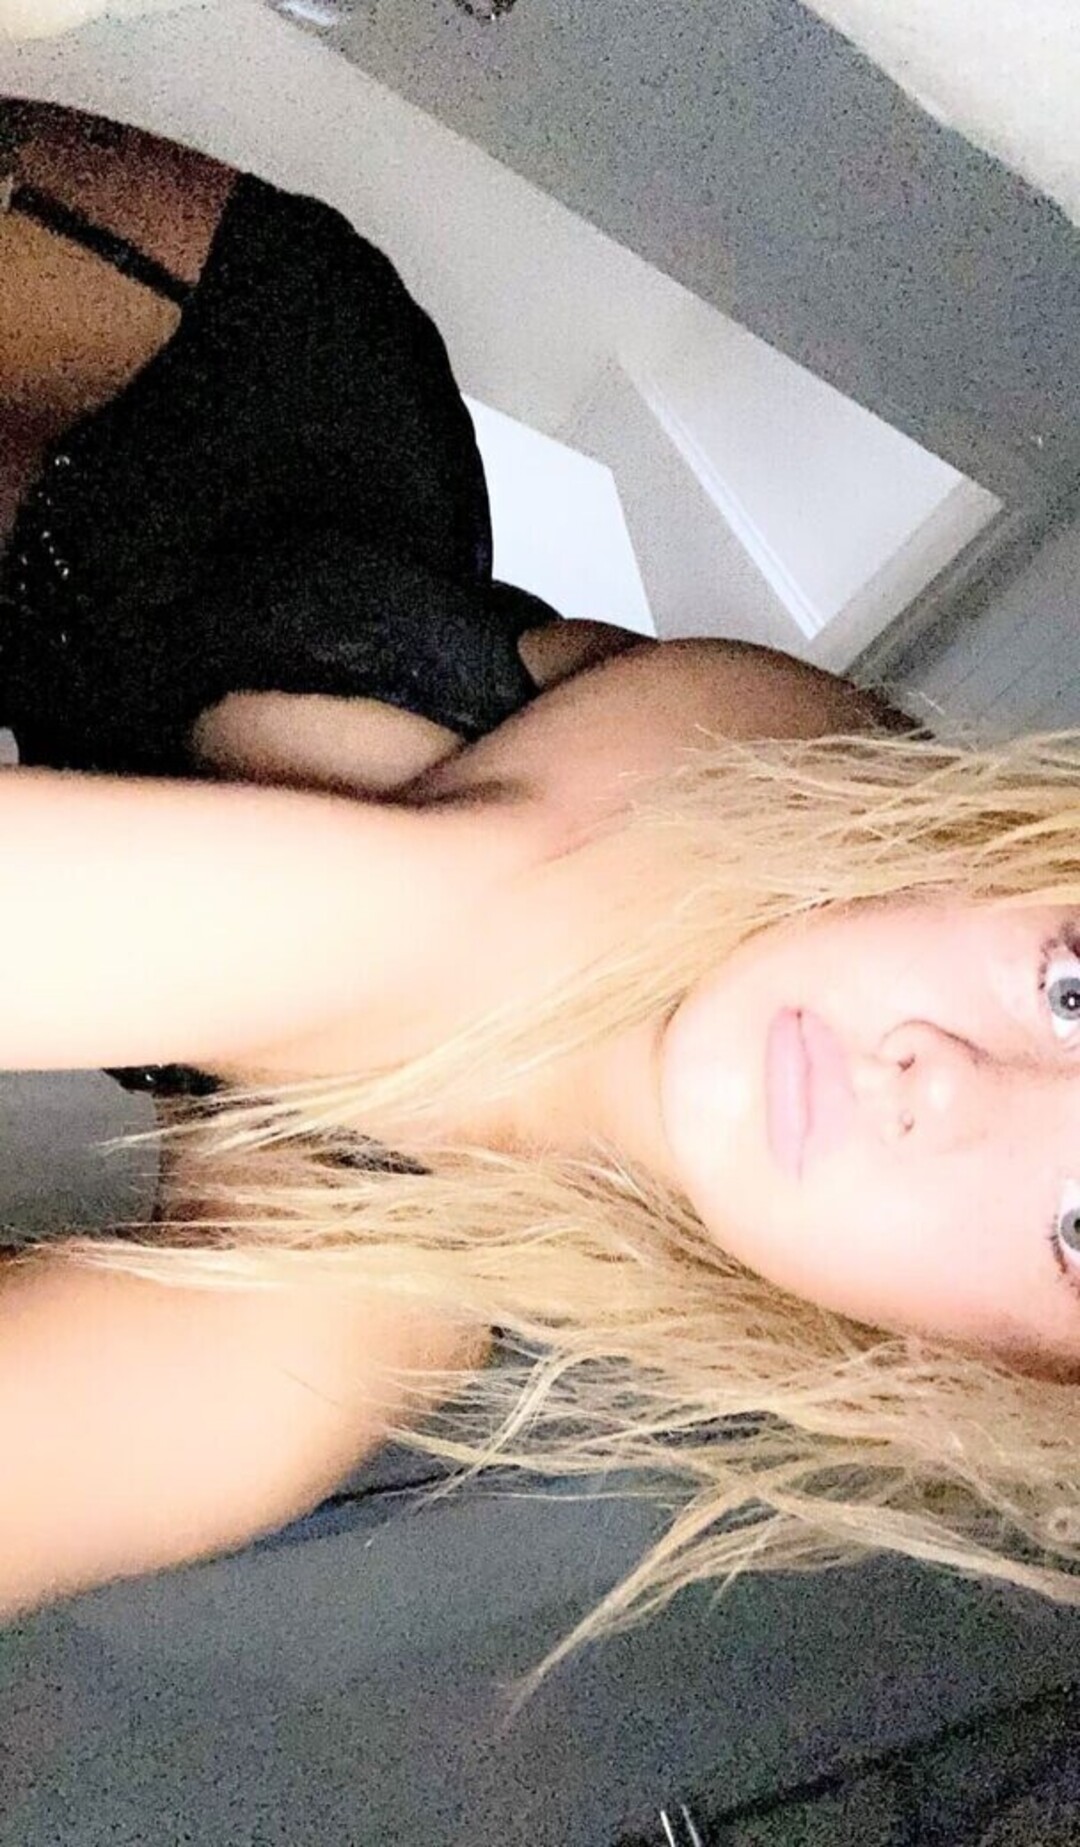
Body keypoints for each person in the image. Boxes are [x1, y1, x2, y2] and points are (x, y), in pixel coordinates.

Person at [3, 108, 1080, 1691]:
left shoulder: (335, 1341)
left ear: (1014, 1379)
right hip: (169, 372)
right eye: (1074, 990)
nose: (949, 1082)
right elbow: (411, 933)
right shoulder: (798, 781)